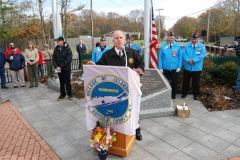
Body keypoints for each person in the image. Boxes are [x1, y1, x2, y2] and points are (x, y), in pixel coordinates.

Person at [87, 30, 144, 140]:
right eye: (116, 38)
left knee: (133, 110)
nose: (119, 40)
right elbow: (100, 66)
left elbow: (140, 63)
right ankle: (116, 131)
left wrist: (140, 69)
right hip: (115, 90)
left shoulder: (132, 53)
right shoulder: (107, 55)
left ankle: (136, 129)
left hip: (130, 89)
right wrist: (93, 65)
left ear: (124, 39)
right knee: (118, 112)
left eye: (121, 37)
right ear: (113, 41)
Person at [181, 30, 206, 100]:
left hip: (196, 67)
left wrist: (194, 60)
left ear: (198, 39)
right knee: (186, 81)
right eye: (193, 39)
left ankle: (196, 94)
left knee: (196, 82)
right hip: (188, 66)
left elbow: (202, 55)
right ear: (191, 39)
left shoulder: (202, 46)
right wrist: (189, 60)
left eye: (195, 39)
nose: (194, 40)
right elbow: (183, 54)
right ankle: (184, 93)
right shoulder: (186, 46)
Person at [158, 32, 182, 99]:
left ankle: (173, 94)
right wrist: (160, 67)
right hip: (165, 68)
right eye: (169, 37)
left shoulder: (177, 45)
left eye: (172, 37)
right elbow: (160, 57)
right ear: (167, 38)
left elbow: (180, 56)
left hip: (174, 68)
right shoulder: (163, 46)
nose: (170, 39)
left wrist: (179, 66)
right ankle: (166, 94)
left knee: (174, 82)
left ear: (174, 38)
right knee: (166, 82)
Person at [52, 36, 73, 101]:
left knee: (67, 82)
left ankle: (70, 94)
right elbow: (54, 59)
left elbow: (68, 59)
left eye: (58, 41)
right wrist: (56, 66)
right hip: (59, 69)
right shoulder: (56, 49)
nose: (57, 42)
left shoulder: (67, 49)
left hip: (66, 69)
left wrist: (60, 66)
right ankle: (62, 94)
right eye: (57, 41)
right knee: (61, 82)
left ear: (62, 41)